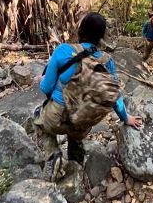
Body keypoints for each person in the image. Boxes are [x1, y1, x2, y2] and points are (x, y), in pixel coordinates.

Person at [34, 12, 142, 182]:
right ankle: (76, 163)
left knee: (38, 119)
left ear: (81, 30)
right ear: (101, 37)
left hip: (57, 118)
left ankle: (53, 155)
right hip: (83, 121)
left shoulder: (63, 50)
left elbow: (46, 87)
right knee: (75, 134)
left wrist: (40, 80)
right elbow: (114, 95)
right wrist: (125, 117)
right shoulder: (107, 61)